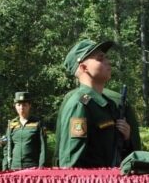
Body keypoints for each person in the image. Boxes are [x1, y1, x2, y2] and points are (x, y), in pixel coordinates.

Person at [55, 39, 141, 168]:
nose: (108, 61)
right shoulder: (80, 104)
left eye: (106, 57)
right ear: (84, 68)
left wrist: (127, 138)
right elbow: (70, 164)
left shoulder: (108, 104)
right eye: (100, 58)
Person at [4, 91, 47, 170]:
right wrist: (5, 167)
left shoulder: (37, 123)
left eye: (24, 105)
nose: (21, 108)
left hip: (32, 167)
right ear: (15, 106)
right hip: (14, 167)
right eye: (19, 105)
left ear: (29, 106)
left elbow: (43, 148)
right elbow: (7, 147)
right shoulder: (12, 124)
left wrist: (41, 167)